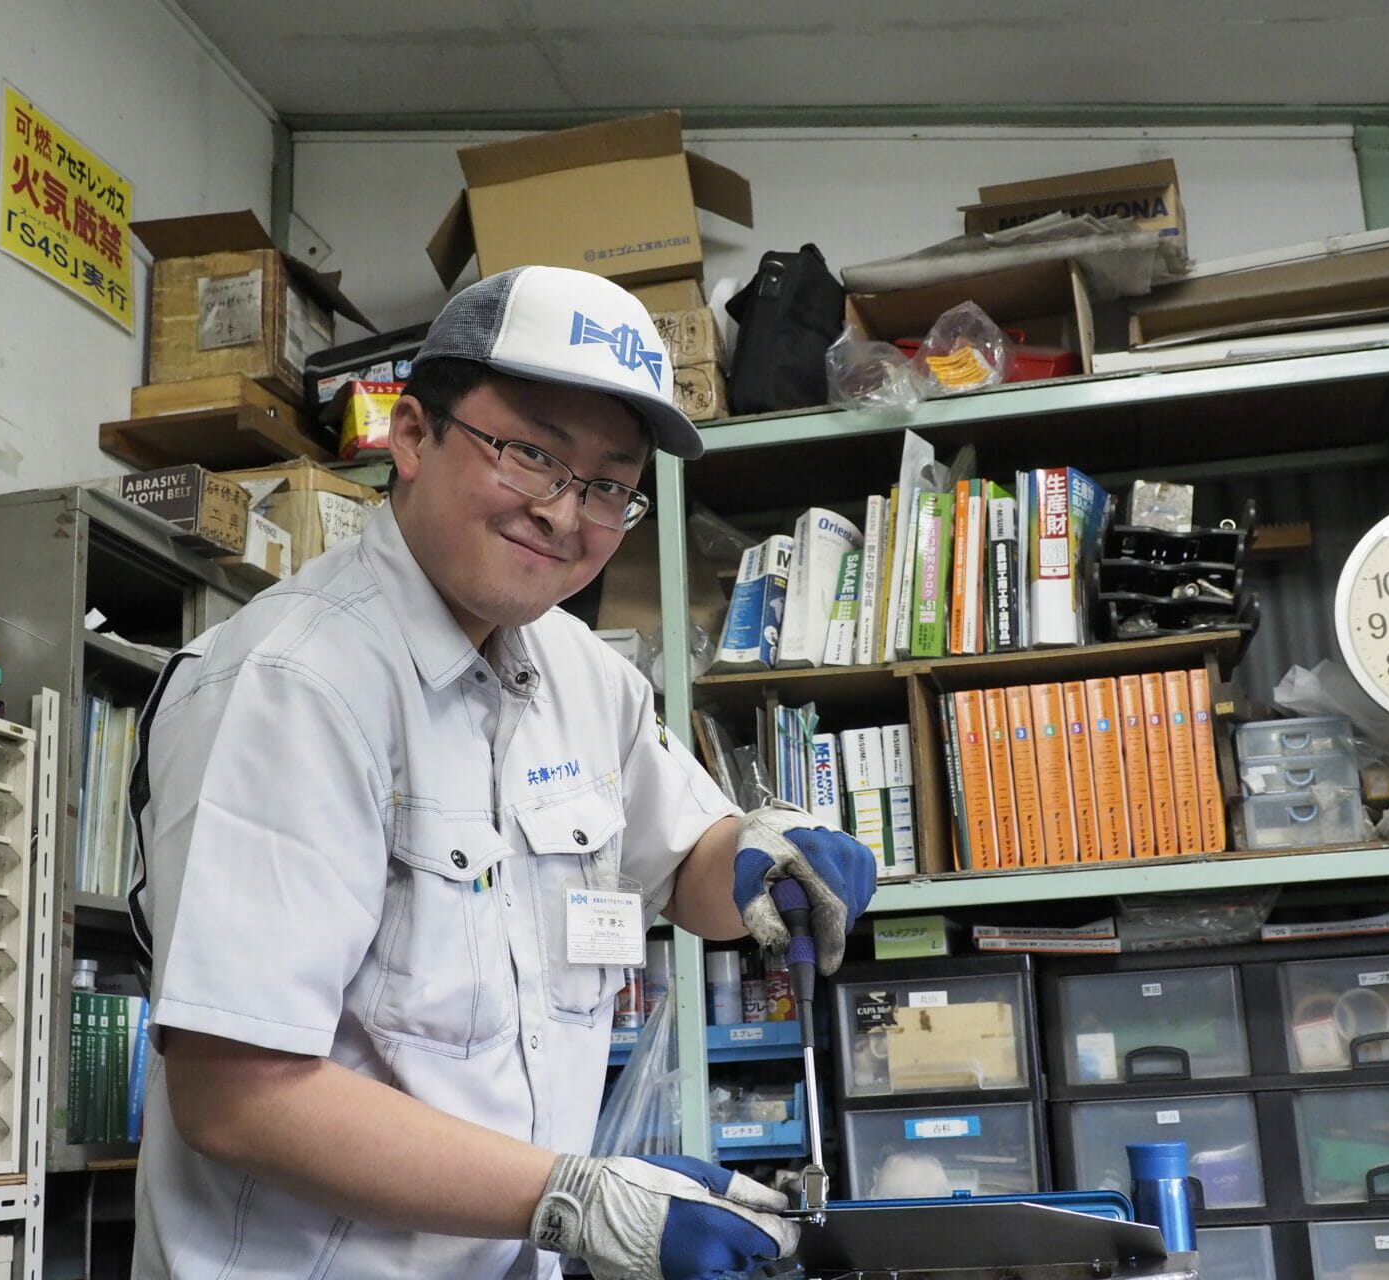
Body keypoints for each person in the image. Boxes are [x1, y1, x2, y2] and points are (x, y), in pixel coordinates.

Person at [127, 264, 877, 1280]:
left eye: (608, 485)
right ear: (413, 435)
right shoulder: (293, 684)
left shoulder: (583, 673)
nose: (566, 514)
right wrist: (573, 1196)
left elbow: (691, 868)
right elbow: (236, 1095)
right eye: (531, 455)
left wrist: (760, 853)